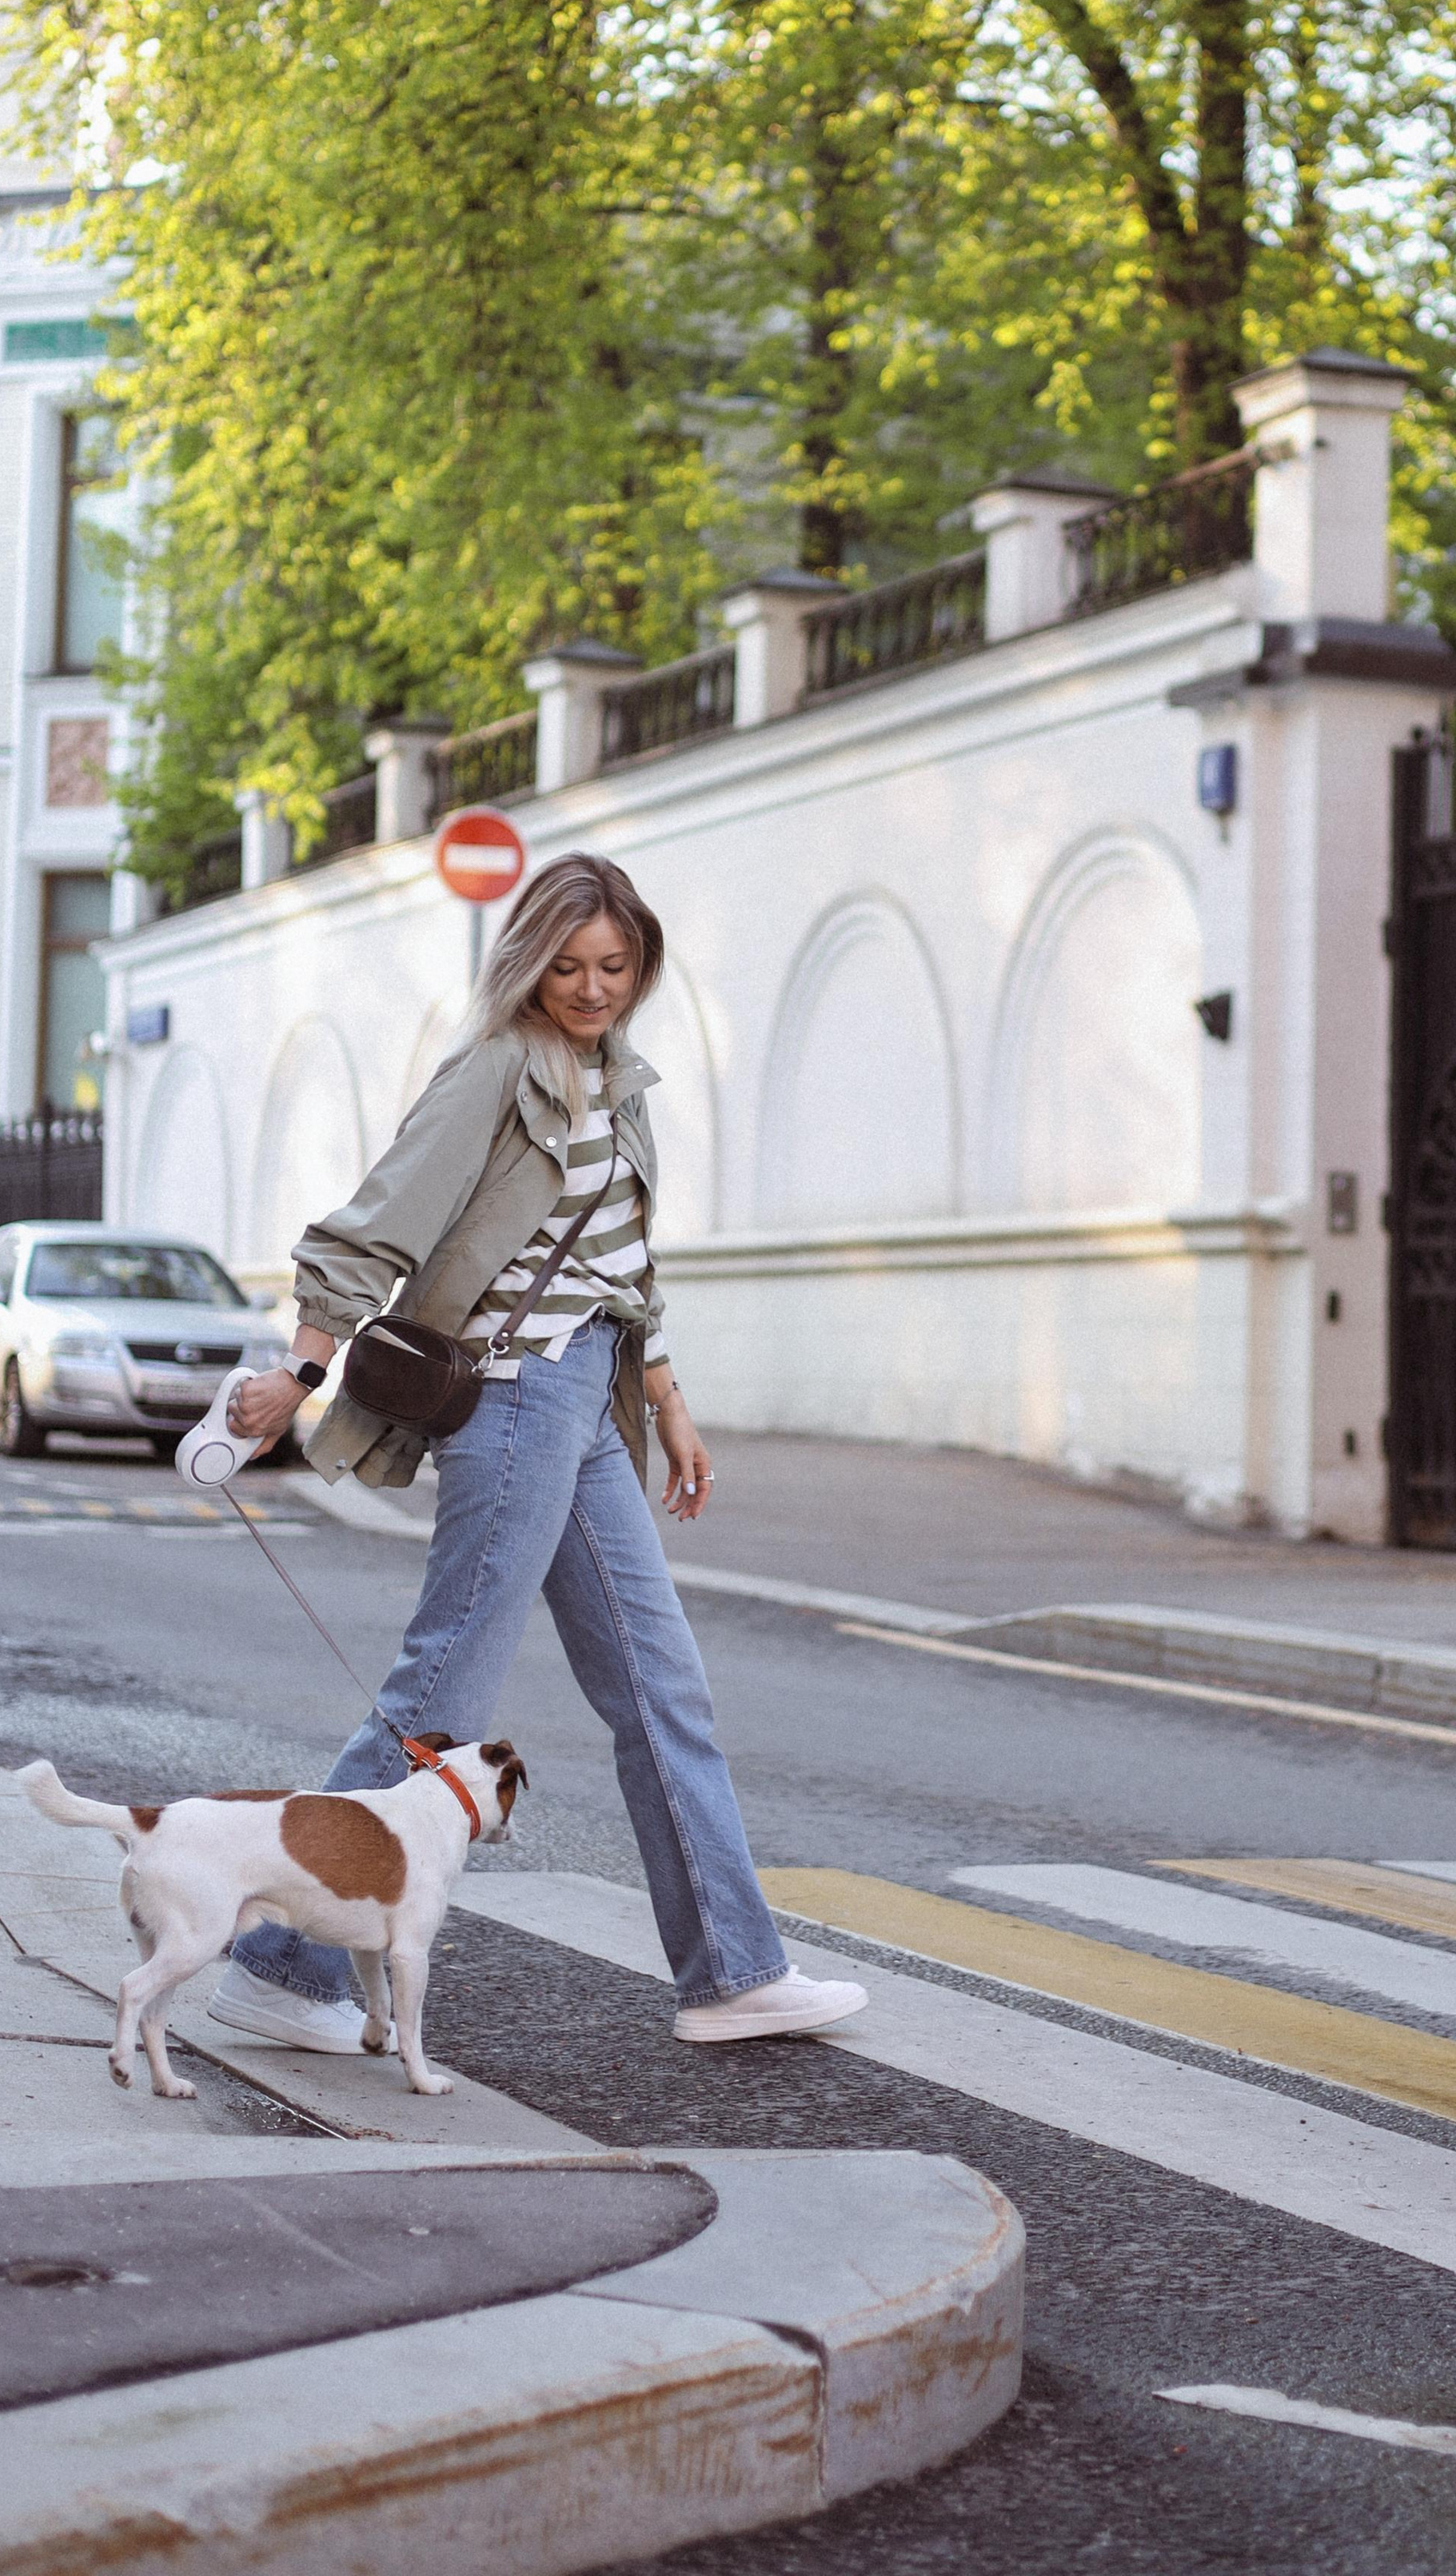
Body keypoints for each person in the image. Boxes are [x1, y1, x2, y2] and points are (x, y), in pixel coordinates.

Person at [214, 851, 865, 2051]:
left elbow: (623, 1267)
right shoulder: (495, 1073)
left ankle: (733, 1972)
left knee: (663, 1690)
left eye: (614, 966)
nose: (591, 986)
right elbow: (374, 1227)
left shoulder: (621, 1080)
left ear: (642, 966)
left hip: (593, 1403)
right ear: (528, 961)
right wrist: (294, 1375)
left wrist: (666, 1398)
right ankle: (279, 1964)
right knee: (439, 1698)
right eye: (566, 965)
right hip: (511, 1408)